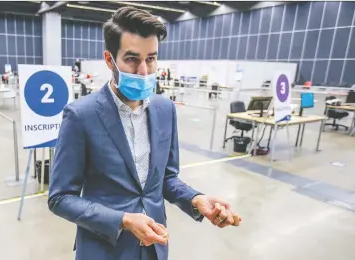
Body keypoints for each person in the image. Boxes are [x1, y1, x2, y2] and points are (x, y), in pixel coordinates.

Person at [48, 7, 241, 260]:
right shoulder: (80, 115)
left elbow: (167, 178)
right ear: (109, 60)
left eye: (151, 58)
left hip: (154, 249)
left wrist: (196, 200)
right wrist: (124, 220)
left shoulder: (165, 109)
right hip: (104, 250)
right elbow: (60, 198)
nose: (144, 71)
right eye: (131, 59)